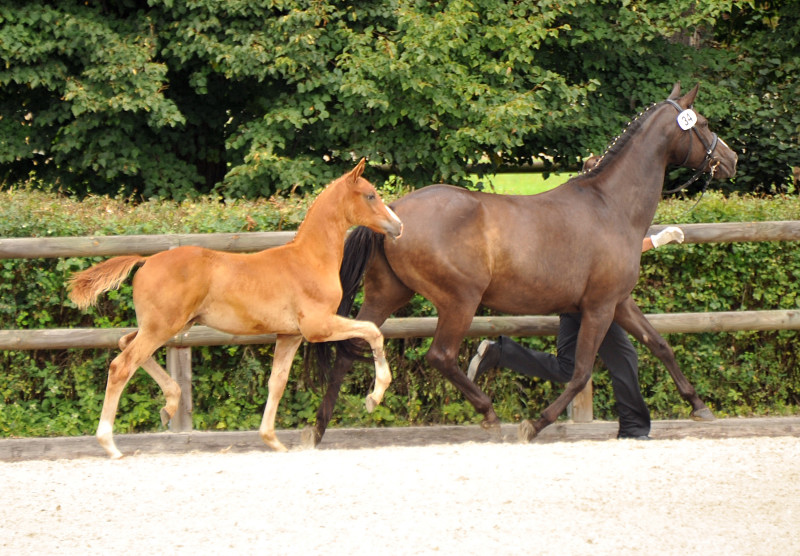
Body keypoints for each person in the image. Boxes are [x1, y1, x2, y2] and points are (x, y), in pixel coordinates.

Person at [467, 225, 685, 440]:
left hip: (574, 303)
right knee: (624, 358)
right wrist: (655, 242)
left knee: (568, 368)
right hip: (594, 303)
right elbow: (609, 254)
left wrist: (655, 241)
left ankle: (500, 353)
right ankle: (633, 429)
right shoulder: (591, 217)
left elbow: (608, 252)